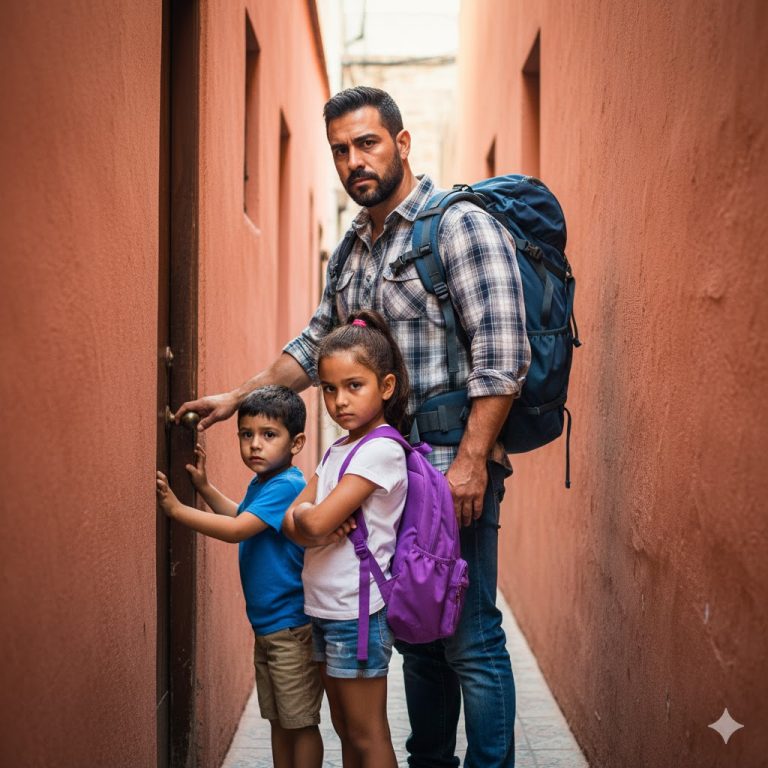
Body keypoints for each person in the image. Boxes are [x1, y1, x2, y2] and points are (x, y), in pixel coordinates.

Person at [176, 86, 530, 767]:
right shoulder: (350, 251)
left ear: (401, 143)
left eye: (367, 143)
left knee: (472, 636)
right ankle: (431, 759)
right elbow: (312, 348)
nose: (354, 161)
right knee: (419, 633)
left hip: (452, 466)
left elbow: (503, 349)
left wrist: (474, 459)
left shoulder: (458, 224)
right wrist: (237, 396)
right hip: (389, 470)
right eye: (340, 150)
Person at [156, 385, 324, 768]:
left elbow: (236, 532)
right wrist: (204, 488)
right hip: (269, 628)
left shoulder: (287, 486)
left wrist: (176, 509)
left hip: (291, 628)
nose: (255, 445)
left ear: (296, 442)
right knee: (280, 719)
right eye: (246, 435)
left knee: (301, 723)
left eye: (268, 435)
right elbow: (240, 516)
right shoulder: (265, 483)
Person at [286, 309, 409, 768]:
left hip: (359, 612)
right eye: (329, 388)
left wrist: (310, 518)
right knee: (344, 730)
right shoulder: (339, 449)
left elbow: (313, 527)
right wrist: (307, 515)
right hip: (325, 607)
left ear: (387, 386)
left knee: (367, 734)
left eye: (354, 385)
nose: (340, 400)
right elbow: (290, 522)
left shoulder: (380, 449)